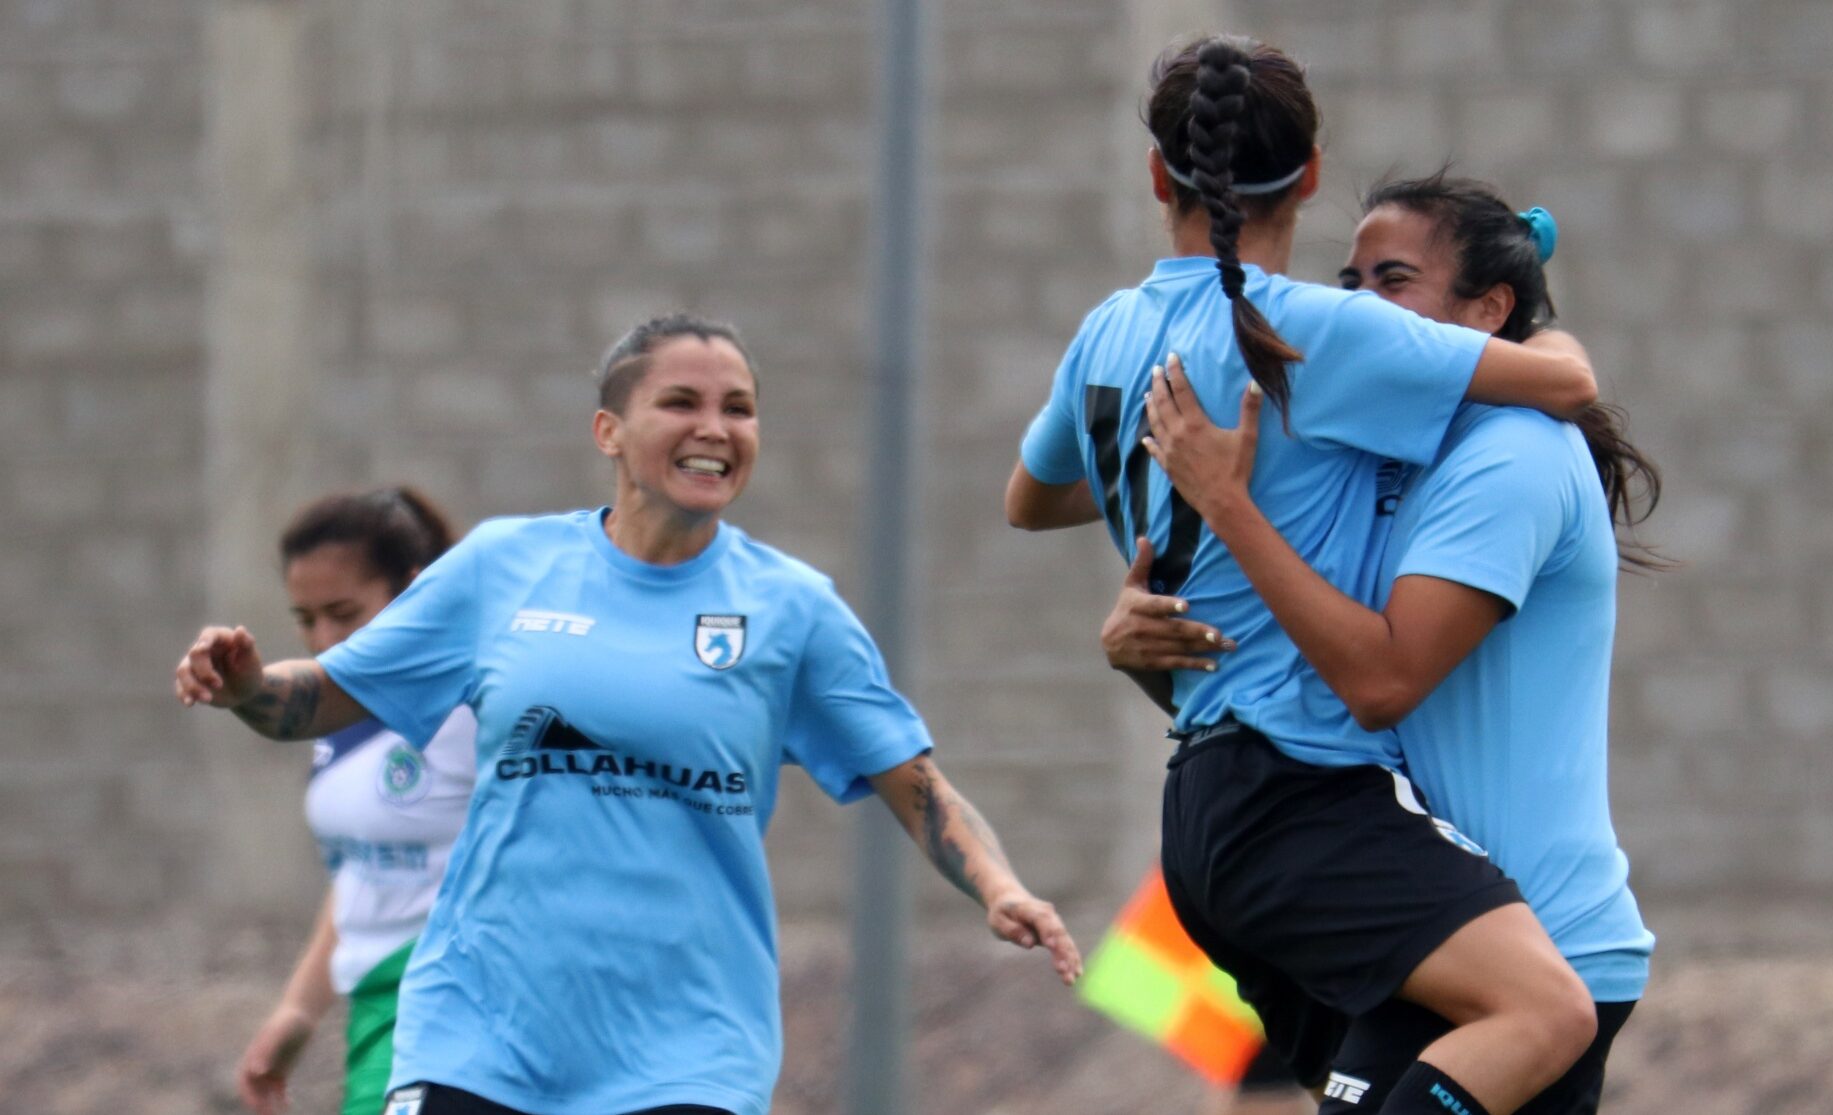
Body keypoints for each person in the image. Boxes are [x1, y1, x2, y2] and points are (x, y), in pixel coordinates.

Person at [178, 313, 1081, 1115]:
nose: (714, 429)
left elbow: (916, 783)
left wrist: (1001, 888)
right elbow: (324, 697)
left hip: (687, 1050)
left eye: (739, 408)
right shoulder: (503, 566)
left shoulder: (791, 608)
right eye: (681, 402)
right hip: (477, 1031)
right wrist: (253, 686)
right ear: (609, 430)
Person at [1008, 35, 1600, 1115]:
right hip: (1300, 792)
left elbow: (1030, 495)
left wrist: (1161, 476)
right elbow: (1565, 380)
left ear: (1156, 176)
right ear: (1312, 173)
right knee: (1545, 1013)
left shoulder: (1107, 331)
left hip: (1201, 807)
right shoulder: (1315, 331)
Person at [1111, 175, 1662, 1114]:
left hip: (1535, 954)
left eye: (1392, 278)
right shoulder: (1386, 457)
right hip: (1431, 932)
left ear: (1488, 309)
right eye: (1349, 278)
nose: (1357, 305)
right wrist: (1157, 654)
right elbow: (1302, 687)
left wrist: (1231, 506)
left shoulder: (1515, 453)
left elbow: (1381, 680)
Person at [233, 486, 474, 1115]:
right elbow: (361, 875)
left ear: (415, 591)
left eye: (344, 612)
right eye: (306, 619)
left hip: (464, 1002)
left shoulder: (475, 708)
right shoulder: (337, 725)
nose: (324, 637)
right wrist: (297, 1011)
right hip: (374, 1011)